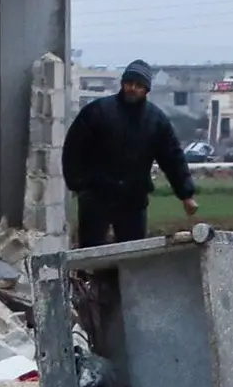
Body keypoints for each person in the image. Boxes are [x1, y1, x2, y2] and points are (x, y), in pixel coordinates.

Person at [60, 59, 199, 248]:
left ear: (146, 90)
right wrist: (78, 184)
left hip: (133, 199)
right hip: (96, 196)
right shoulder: (98, 112)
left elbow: (172, 158)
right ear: (122, 84)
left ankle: (124, 279)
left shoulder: (155, 120)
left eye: (139, 85)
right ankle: (90, 278)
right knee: (90, 252)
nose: (132, 88)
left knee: (132, 253)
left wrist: (186, 194)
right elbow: (74, 148)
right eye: (129, 83)